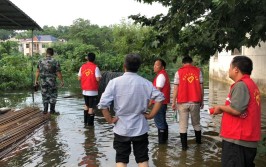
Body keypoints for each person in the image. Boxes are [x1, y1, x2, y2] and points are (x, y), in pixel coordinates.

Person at [98, 53, 164, 167]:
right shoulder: (145, 83)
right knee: (142, 159)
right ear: (138, 67)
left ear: (124, 66)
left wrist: (109, 119)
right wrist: (151, 115)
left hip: (121, 128)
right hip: (140, 127)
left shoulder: (114, 82)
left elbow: (103, 104)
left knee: (121, 160)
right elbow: (160, 98)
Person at [212, 56, 261, 167]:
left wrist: (220, 107)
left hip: (238, 140)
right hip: (246, 139)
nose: (228, 70)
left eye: (230, 67)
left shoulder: (241, 85)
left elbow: (236, 109)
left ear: (236, 69)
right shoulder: (251, 84)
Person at [171, 56, 204, 151]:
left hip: (182, 102)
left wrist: (173, 102)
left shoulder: (179, 72)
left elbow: (176, 88)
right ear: (192, 62)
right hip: (195, 101)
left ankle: (184, 148)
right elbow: (201, 87)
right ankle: (199, 144)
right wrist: (201, 101)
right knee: (196, 124)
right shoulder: (198, 71)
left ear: (183, 63)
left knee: (183, 126)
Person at [35, 48, 64, 114]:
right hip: (52, 82)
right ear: (52, 53)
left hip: (43, 82)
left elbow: (37, 71)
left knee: (44, 95)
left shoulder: (40, 61)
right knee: (53, 95)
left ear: (46, 53)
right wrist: (62, 81)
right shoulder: (55, 61)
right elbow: (58, 73)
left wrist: (36, 80)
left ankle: (45, 111)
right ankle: (52, 111)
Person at [150, 58, 170, 144]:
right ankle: (164, 142)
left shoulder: (161, 76)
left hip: (159, 103)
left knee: (160, 123)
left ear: (163, 67)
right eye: (154, 64)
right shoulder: (162, 75)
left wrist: (150, 102)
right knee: (163, 122)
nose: (154, 66)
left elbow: (157, 91)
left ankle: (161, 145)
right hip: (163, 103)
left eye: (157, 65)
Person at [78, 52, 101, 126]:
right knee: (91, 108)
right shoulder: (95, 67)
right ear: (94, 59)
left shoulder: (82, 67)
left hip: (85, 90)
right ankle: (90, 127)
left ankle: (85, 123)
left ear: (87, 58)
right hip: (93, 91)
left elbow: (79, 78)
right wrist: (100, 77)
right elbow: (97, 79)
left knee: (86, 105)